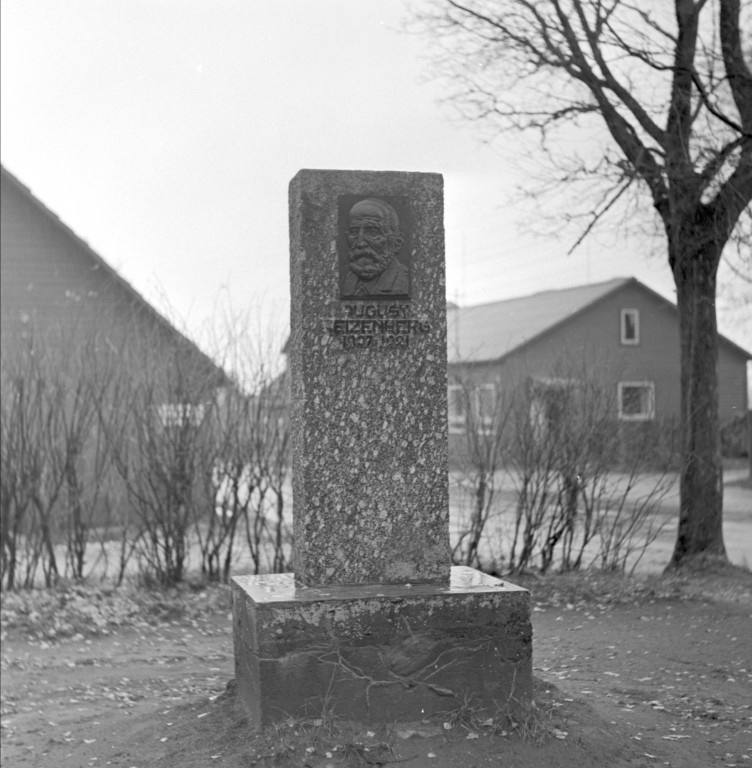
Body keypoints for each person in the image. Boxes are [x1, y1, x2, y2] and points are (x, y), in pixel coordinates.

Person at [341, 197, 409, 297]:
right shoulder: (346, 280)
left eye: (373, 232)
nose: (360, 243)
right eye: (354, 232)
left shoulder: (404, 281)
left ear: (396, 242)